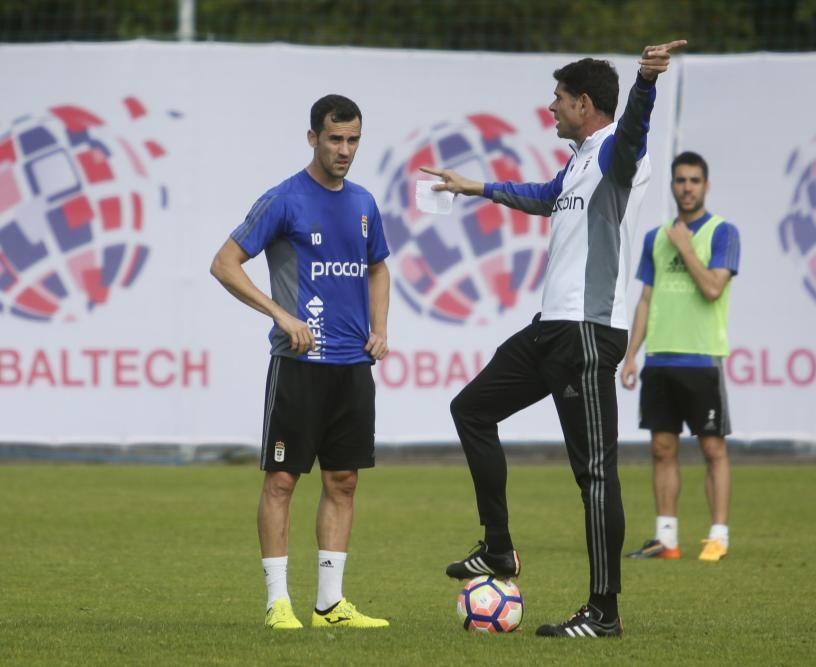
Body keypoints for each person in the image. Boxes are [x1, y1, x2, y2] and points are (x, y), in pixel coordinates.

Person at [421, 40, 686, 639]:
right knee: (471, 409)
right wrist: (475, 188)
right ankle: (498, 549)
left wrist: (645, 82)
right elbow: (545, 198)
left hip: (589, 334)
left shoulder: (618, 152)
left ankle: (604, 611)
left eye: (559, 99)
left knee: (594, 475)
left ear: (585, 104)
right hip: (552, 329)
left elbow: (637, 126)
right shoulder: (579, 161)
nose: (551, 108)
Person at [209, 94, 391, 630]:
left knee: (344, 481)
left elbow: (378, 268)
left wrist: (380, 329)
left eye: (353, 139)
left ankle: (330, 604)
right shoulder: (284, 199)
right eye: (335, 139)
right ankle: (277, 602)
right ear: (312, 138)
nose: (345, 150)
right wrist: (281, 314)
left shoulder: (363, 203)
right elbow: (225, 263)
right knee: (282, 480)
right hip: (298, 365)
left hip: (351, 367)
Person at [620, 150, 740, 563]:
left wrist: (686, 248)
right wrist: (631, 355)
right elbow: (645, 300)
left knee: (712, 450)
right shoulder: (656, 238)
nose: (686, 188)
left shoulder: (722, 233)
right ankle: (666, 539)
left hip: (701, 359)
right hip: (660, 361)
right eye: (680, 181)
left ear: (705, 186)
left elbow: (712, 289)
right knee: (661, 449)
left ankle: (717, 536)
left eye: (694, 181)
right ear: (671, 186)